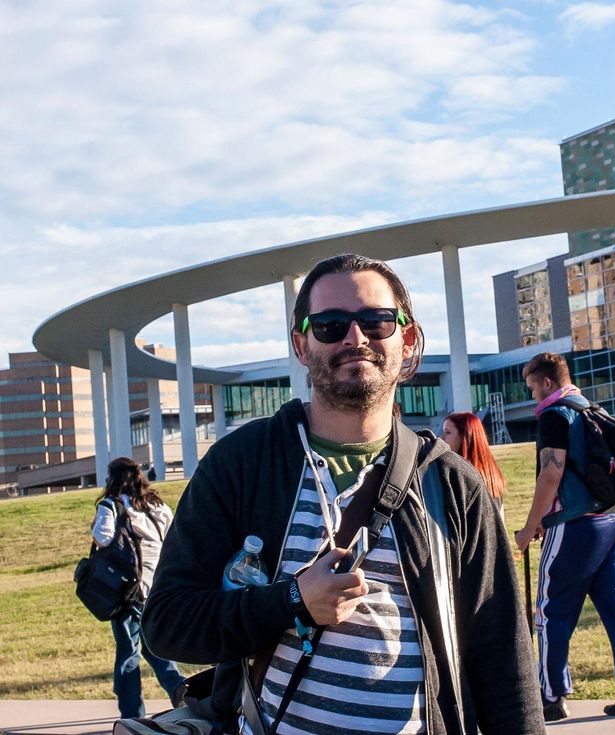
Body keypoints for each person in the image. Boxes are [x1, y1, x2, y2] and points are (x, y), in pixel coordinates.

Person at [143, 253, 543, 735]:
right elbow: (167, 623)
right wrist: (290, 601)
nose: (356, 338)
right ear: (301, 344)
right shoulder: (242, 464)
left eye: (376, 322)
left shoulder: (453, 484)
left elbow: (504, 663)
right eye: (331, 325)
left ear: (407, 337)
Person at [514, 352, 615, 722]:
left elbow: (551, 473)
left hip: (576, 526)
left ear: (547, 383)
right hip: (614, 521)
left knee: (551, 611)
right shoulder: (592, 408)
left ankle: (550, 696)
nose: (532, 395)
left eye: (532, 388)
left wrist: (531, 526)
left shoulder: (554, 414)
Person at [91, 456, 186, 719]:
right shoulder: (158, 505)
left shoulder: (111, 506)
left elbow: (103, 537)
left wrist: (95, 524)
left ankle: (132, 714)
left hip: (127, 590)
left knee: (128, 652)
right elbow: (173, 537)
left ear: (113, 479)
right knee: (152, 643)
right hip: (158, 587)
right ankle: (179, 689)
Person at [441, 412, 506, 519]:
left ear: (465, 436)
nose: (442, 438)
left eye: (447, 432)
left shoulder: (464, 475)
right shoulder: (490, 472)